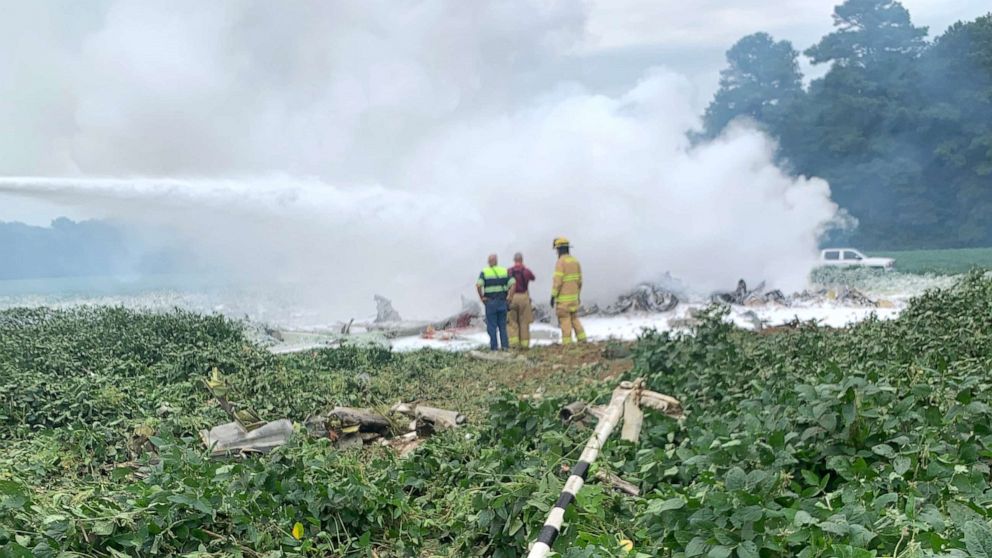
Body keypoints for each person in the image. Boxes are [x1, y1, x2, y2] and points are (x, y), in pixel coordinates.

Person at [550, 237, 586, 345]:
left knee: (565, 321)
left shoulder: (560, 263)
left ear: (559, 250)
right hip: (574, 299)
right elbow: (580, 281)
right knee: (574, 318)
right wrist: (577, 295)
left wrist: (552, 296)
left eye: (557, 250)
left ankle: (567, 344)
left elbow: (557, 282)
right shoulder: (576, 262)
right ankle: (583, 340)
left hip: (563, 300)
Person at [476, 254, 515, 351]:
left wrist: (482, 297)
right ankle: (505, 347)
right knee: (502, 326)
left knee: (492, 326)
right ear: (496, 261)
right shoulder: (505, 271)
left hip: (490, 303)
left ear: (489, 262)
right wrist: (510, 297)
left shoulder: (485, 272)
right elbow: (513, 284)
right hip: (502, 302)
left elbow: (478, 285)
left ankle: (494, 348)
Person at [507, 252, 536, 349]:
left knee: (512, 322)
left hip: (512, 297)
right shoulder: (526, 271)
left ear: (514, 260)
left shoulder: (509, 271)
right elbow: (533, 278)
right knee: (524, 322)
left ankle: (514, 345)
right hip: (524, 297)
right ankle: (525, 345)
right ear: (522, 260)